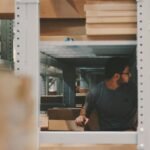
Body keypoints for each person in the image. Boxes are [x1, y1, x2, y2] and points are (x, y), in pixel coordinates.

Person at [75, 57, 137, 131]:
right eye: (127, 73)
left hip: (129, 133)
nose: (130, 75)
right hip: (107, 135)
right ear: (116, 76)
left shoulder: (133, 90)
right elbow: (85, 109)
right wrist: (82, 116)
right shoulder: (95, 92)